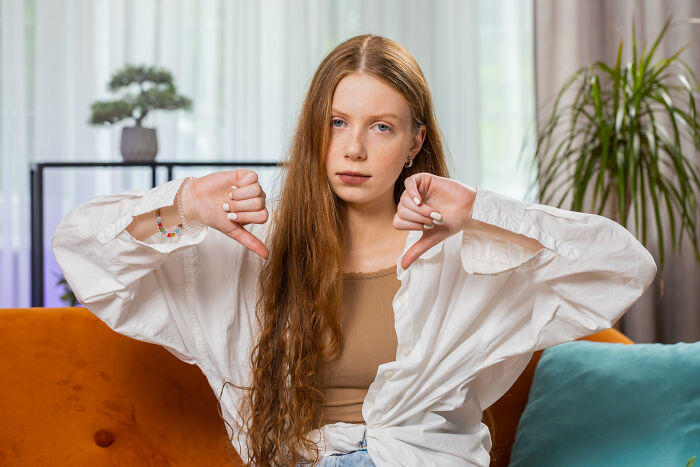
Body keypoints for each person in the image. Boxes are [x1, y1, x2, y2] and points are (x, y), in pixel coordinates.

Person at [52, 34, 657, 467]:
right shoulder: (254, 252)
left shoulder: (464, 258)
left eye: (382, 127)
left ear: (417, 141)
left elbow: (622, 267)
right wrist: (181, 207)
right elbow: (88, 259)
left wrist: (479, 212)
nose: (355, 149)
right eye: (338, 122)